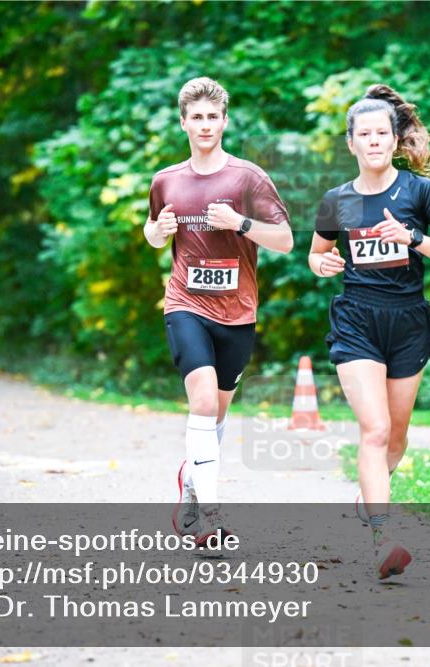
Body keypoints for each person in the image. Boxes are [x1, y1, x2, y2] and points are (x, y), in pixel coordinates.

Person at [308, 84, 430, 579]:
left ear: (395, 139)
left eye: (382, 133)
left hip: (408, 323)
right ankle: (382, 538)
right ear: (351, 143)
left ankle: (372, 490)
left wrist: (413, 237)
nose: (374, 141)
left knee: (396, 439)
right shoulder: (339, 200)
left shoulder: (418, 191)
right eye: (364, 134)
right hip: (357, 319)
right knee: (374, 431)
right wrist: (324, 263)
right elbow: (315, 254)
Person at [143, 77, 293, 544]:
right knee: (203, 403)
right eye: (197, 117)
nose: (205, 125)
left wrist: (241, 223)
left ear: (224, 122)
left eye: (213, 117)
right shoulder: (166, 180)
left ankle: (191, 484)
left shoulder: (248, 178)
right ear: (183, 122)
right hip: (186, 304)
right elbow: (151, 233)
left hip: (238, 313)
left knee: (218, 413)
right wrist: (159, 230)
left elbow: (286, 242)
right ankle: (209, 517)